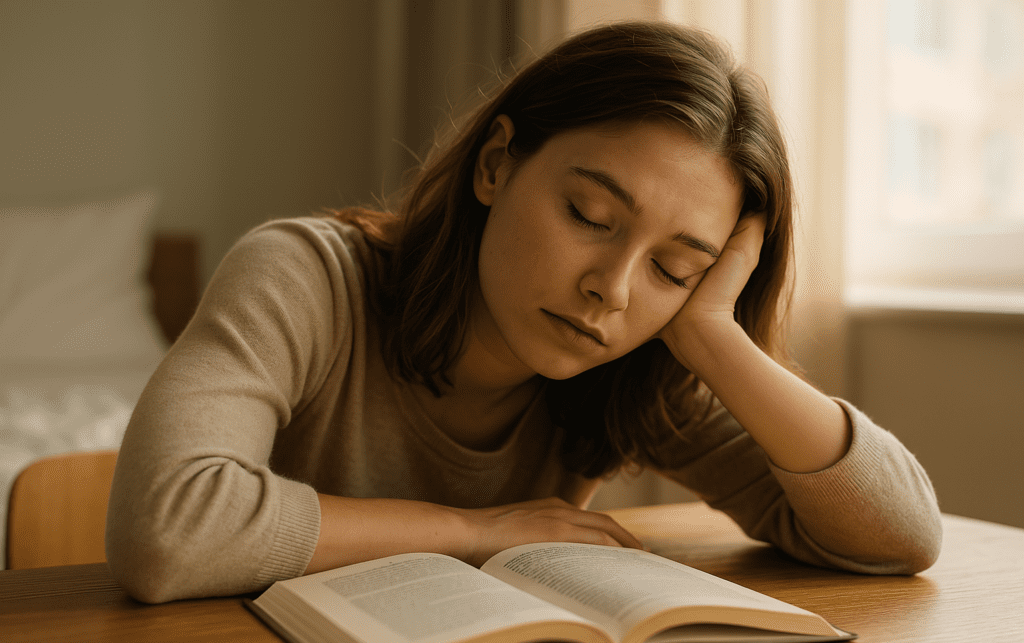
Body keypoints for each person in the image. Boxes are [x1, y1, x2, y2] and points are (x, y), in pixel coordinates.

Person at [106, 21, 942, 603]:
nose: (612, 288)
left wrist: (715, 336)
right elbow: (169, 527)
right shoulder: (304, 277)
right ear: (498, 163)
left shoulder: (638, 360)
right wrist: (476, 530)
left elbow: (902, 536)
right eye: (588, 217)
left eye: (674, 265)